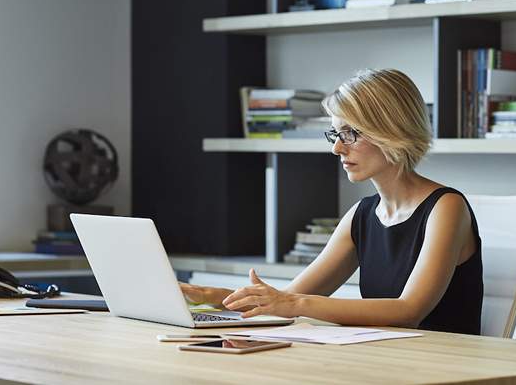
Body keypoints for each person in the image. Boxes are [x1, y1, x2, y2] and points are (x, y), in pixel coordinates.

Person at [181, 69, 483, 333]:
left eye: (350, 134)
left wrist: (293, 302)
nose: (337, 148)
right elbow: (288, 297)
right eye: (336, 134)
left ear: (391, 130)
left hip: (446, 367)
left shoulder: (446, 208)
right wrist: (207, 294)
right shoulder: (362, 215)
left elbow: (408, 312)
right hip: (390, 363)